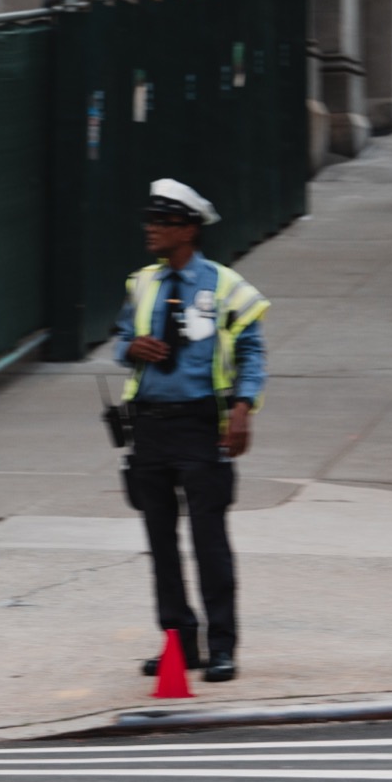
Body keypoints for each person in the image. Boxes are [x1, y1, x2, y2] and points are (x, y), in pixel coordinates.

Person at [112, 180, 268, 684]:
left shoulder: (226, 286)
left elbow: (251, 351)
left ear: (188, 229)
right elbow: (119, 340)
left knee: (209, 542)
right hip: (150, 428)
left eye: (161, 223)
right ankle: (179, 641)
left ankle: (222, 645)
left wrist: (243, 407)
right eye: (150, 221)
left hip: (202, 426)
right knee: (160, 543)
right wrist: (132, 348)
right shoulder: (142, 284)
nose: (150, 230)